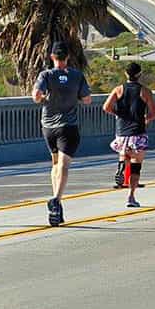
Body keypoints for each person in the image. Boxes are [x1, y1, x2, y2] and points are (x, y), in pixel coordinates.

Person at [32, 41, 92, 227]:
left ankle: (57, 202)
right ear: (68, 57)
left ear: (52, 57)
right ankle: (56, 199)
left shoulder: (46, 75)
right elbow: (87, 100)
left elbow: (35, 96)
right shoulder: (76, 75)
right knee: (64, 166)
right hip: (68, 126)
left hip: (48, 126)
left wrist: (46, 98)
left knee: (56, 163)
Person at [103, 62, 150, 208]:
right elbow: (153, 112)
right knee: (137, 166)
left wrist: (118, 114)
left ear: (126, 74)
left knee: (125, 155)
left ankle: (121, 167)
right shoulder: (144, 91)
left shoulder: (118, 90)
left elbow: (106, 107)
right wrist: (145, 120)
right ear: (139, 74)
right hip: (138, 131)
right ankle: (131, 196)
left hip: (121, 132)